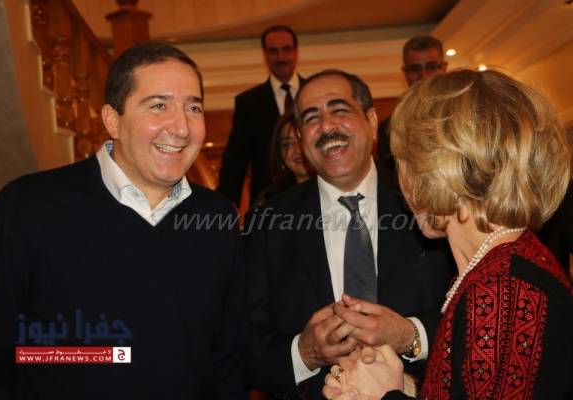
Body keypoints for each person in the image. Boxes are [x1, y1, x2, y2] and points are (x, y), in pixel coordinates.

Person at [0, 43, 247, 399]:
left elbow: (229, 358)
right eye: (159, 105)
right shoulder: (27, 207)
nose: (181, 128)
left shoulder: (217, 218)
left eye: (193, 108)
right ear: (112, 120)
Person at [322, 69, 573, 400]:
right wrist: (403, 387)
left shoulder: (500, 290)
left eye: (403, 162)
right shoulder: (501, 267)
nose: (401, 180)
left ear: (435, 169)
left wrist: (384, 397)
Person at [244, 69, 453, 399]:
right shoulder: (267, 223)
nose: (327, 127)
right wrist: (304, 352)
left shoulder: (427, 201)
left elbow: (474, 314)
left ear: (371, 121)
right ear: (301, 136)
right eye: (311, 118)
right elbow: (243, 345)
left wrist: (409, 334)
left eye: (339, 110)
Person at [218, 25, 305, 207]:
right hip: (268, 203)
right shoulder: (248, 102)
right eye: (273, 51)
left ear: (296, 52)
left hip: (315, 194)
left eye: (286, 49)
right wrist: (224, 208)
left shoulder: (314, 93)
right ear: (265, 55)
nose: (280, 57)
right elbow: (235, 162)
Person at [377, 35, 447, 169]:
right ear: (405, 72)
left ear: (444, 67)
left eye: (431, 67)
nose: (424, 76)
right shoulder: (389, 128)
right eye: (415, 69)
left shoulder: (464, 114)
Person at [252, 111, 314, 206]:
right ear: (280, 153)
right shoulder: (268, 200)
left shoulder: (334, 192)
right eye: (288, 144)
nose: (298, 150)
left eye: (302, 141)